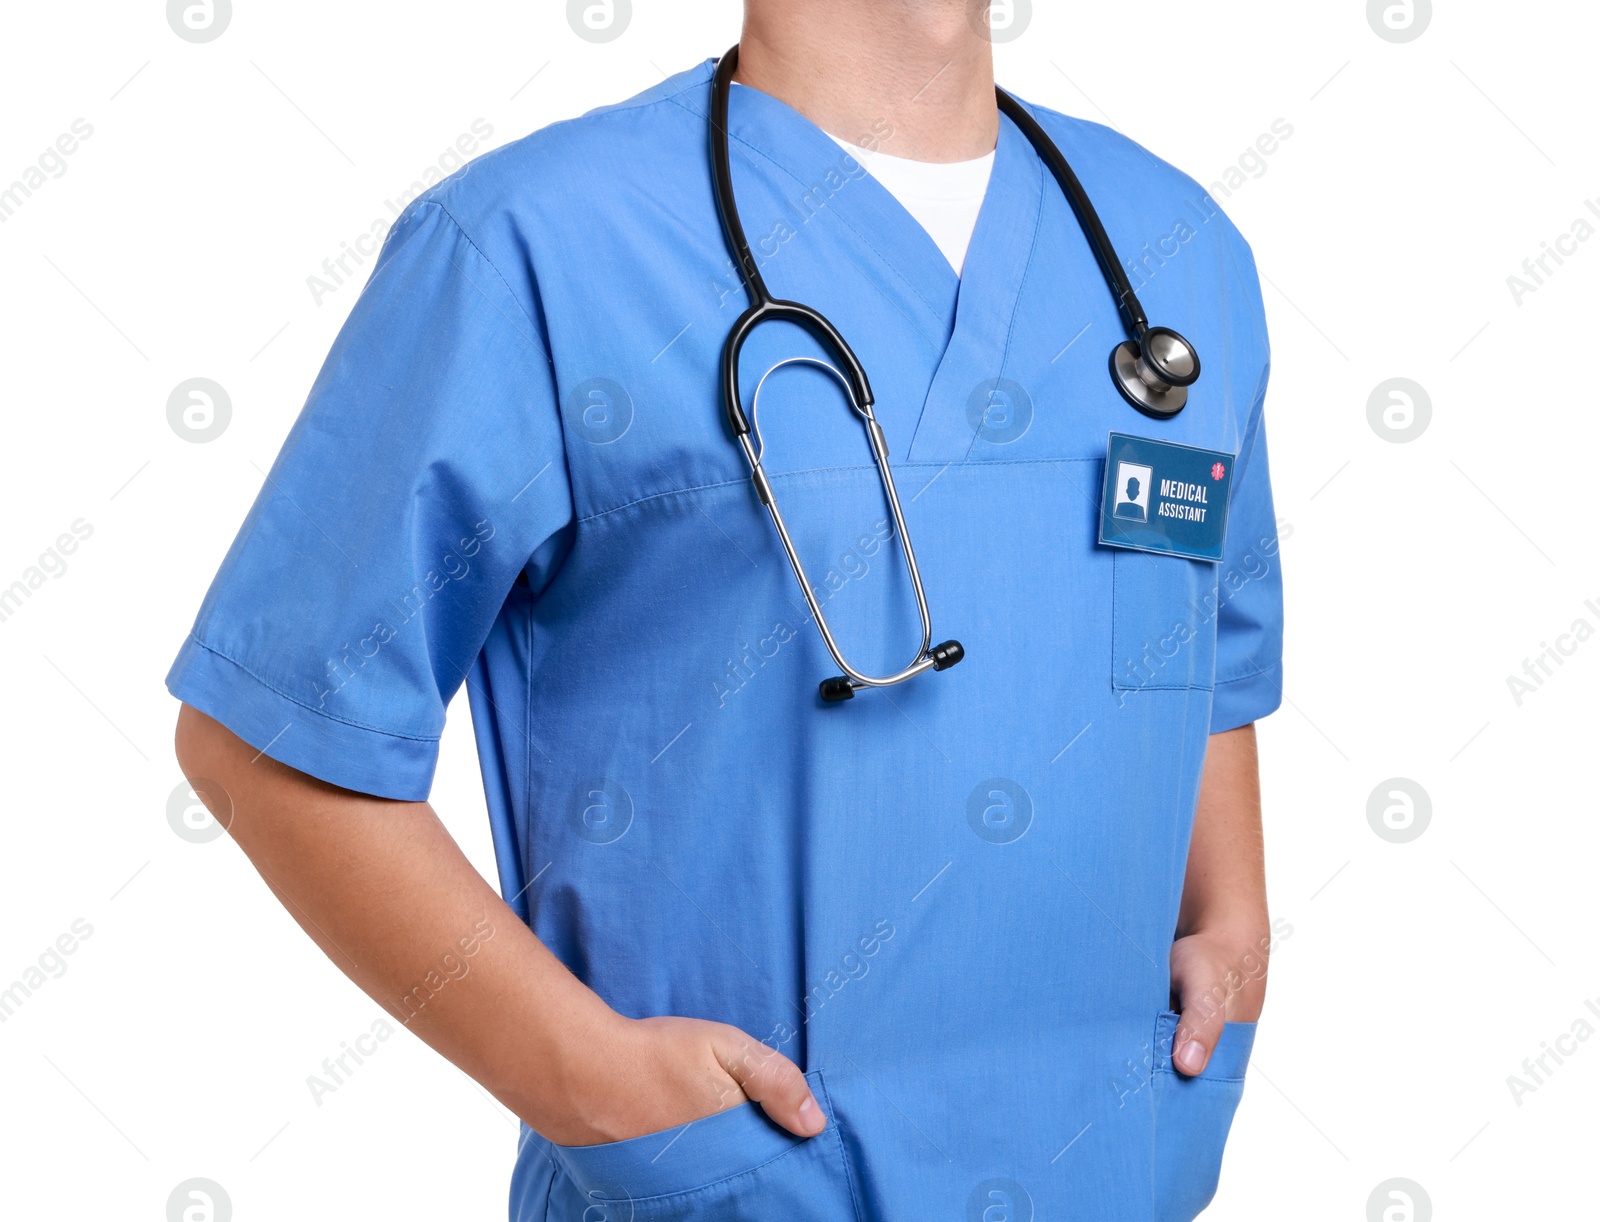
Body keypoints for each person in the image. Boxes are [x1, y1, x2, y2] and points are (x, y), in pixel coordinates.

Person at [168, 3, 1284, 1219]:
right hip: (733, 1186)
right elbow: (267, 738)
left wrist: (1232, 927)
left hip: (1113, 1172)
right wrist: (591, 1080)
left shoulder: (1177, 250)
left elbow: (1202, 659)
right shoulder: (534, 244)